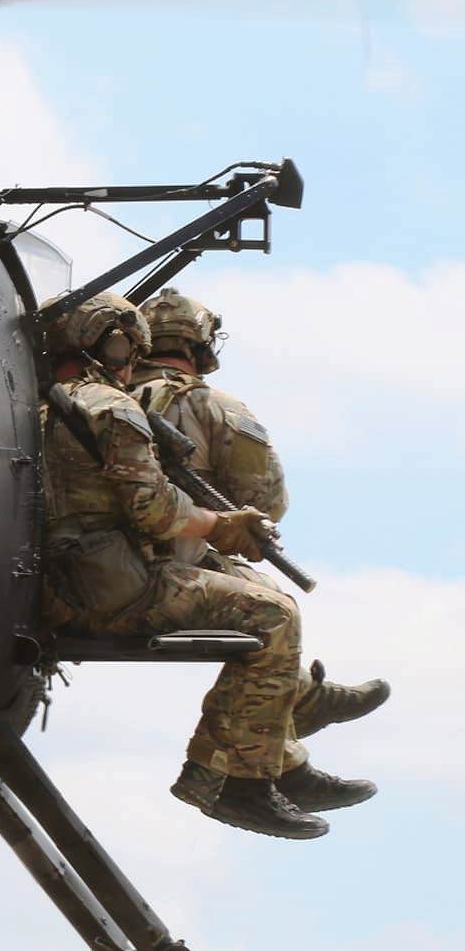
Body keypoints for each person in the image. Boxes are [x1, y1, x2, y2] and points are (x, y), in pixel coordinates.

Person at [38, 290, 372, 838]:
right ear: (115, 344)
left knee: (262, 595)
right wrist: (221, 525)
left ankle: (284, 759)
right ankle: (232, 784)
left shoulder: (44, 405)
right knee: (274, 615)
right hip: (115, 589)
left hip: (69, 582)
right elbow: (152, 508)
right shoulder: (110, 406)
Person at [129, 288, 389, 805]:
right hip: (152, 574)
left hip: (114, 562)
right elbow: (266, 504)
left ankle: (300, 714)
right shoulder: (213, 406)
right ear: (201, 346)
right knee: (273, 612)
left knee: (265, 589)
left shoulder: (96, 402)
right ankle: (240, 771)